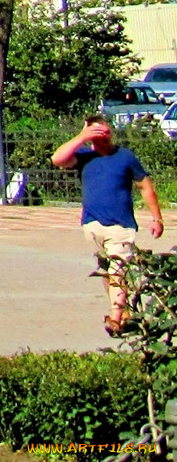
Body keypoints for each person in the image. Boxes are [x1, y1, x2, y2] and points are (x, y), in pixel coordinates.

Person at [52, 114, 164, 334]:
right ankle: (124, 312)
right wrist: (81, 136)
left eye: (104, 131)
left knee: (118, 271)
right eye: (96, 133)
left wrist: (157, 218)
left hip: (121, 226)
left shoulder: (125, 157)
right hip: (93, 225)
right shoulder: (84, 157)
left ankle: (115, 319)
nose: (101, 137)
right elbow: (57, 159)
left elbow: (145, 187)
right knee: (107, 272)